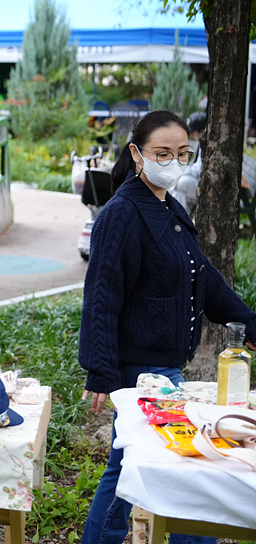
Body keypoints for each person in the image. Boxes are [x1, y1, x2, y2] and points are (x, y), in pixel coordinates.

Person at [79, 109, 256, 544]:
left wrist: (250, 324)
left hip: (163, 367)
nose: (174, 162)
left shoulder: (167, 206)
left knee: (133, 467)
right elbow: (102, 297)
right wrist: (100, 371)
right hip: (139, 370)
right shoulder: (123, 214)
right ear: (137, 154)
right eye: (163, 153)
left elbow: (205, 278)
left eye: (183, 153)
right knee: (179, 469)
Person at [168, 111, 206, 215]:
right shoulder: (202, 144)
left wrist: (182, 170)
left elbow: (200, 171)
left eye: (193, 133)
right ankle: (179, 224)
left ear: (202, 130)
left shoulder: (208, 145)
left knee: (180, 182)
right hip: (197, 184)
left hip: (205, 187)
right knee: (179, 194)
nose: (192, 136)